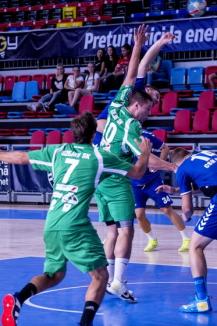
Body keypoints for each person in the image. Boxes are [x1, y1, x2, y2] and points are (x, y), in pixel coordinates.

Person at [1, 112, 151, 326]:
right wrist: (144, 153)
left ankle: (18, 299)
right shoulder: (99, 156)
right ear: (94, 133)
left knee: (54, 275)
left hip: (52, 223)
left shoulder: (58, 151)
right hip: (75, 225)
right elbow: (137, 172)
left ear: (74, 133)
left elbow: (21, 157)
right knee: (100, 276)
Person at [94, 25, 176, 303]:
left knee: (111, 230)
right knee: (126, 229)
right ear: (140, 104)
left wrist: (143, 42)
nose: (152, 109)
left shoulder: (119, 101)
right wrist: (176, 169)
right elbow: (149, 159)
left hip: (99, 174)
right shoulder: (133, 123)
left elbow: (132, 71)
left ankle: (105, 276)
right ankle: (117, 281)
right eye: (151, 105)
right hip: (116, 175)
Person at [156, 147, 217, 313]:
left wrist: (184, 218)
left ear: (173, 164)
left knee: (195, 246)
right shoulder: (205, 154)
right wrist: (177, 190)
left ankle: (201, 300)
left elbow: (188, 209)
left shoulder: (182, 169)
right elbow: (208, 183)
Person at [131, 130, 190, 252]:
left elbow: (165, 148)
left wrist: (158, 166)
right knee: (139, 215)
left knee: (166, 209)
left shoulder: (146, 136)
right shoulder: (121, 139)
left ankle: (186, 239)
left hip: (153, 181)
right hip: (135, 184)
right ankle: (152, 240)